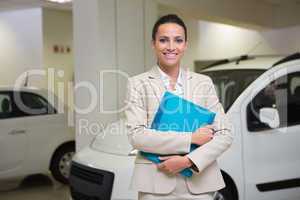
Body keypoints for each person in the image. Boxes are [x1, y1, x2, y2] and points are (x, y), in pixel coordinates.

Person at [124, 14, 233, 200]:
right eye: (163, 40)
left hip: (200, 184)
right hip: (155, 185)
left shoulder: (203, 83)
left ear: (185, 45)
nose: (171, 47)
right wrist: (191, 138)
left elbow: (225, 133)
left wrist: (188, 161)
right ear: (153, 44)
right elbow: (137, 135)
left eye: (178, 40)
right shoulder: (137, 84)